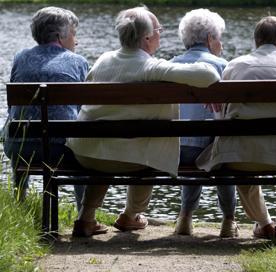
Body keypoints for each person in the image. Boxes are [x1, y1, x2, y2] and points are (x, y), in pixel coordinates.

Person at [66, 6, 220, 237]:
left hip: (88, 152)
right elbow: (210, 76)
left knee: (108, 146)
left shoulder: (103, 60)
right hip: (130, 158)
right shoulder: (151, 66)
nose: (161, 33)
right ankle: (131, 215)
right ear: (147, 37)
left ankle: (85, 217)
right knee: (146, 150)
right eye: (159, 29)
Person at [196, 16, 276, 239]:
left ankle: (263, 223)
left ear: (256, 40)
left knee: (235, 146)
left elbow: (223, 117)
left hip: (241, 157)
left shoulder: (235, 66)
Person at [3, 6, 87, 209]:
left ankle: (19, 206)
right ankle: (84, 215)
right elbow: (84, 109)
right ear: (60, 36)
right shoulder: (78, 62)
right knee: (82, 139)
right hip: (63, 150)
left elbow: (12, 105)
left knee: (15, 123)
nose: (76, 41)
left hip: (20, 147)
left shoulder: (20, 58)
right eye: (74, 34)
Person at [170, 9, 238, 238]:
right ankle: (229, 220)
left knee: (192, 142)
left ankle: (185, 218)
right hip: (213, 153)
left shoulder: (170, 66)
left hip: (174, 153)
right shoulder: (223, 67)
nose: (221, 43)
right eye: (219, 37)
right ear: (210, 39)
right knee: (221, 146)